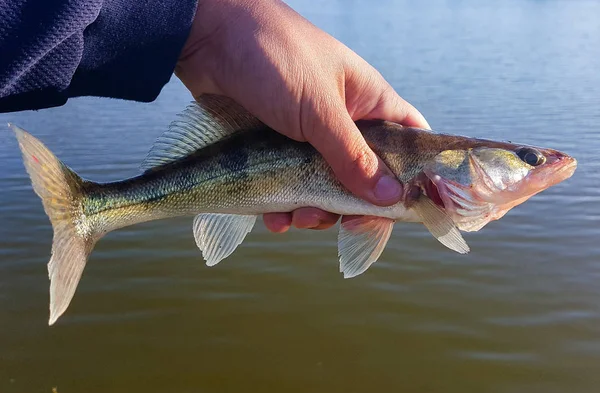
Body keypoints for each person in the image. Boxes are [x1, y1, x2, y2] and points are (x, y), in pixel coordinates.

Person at [0, 0, 430, 232]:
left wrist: (211, 25)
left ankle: (91, 208)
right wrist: (210, 23)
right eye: (499, 159)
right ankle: (90, 208)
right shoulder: (418, 185)